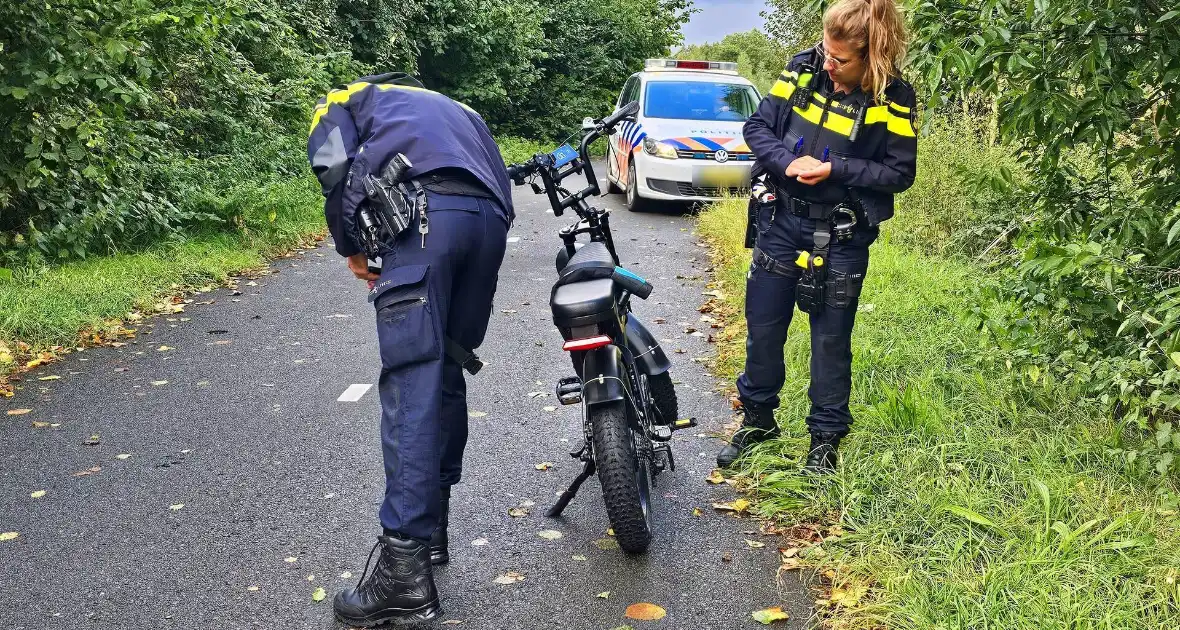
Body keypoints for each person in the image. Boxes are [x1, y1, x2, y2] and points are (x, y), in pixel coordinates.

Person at [306, 72, 512, 626]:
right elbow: (500, 183)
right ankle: (434, 530)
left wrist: (352, 245)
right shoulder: (461, 108)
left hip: (424, 219)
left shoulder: (347, 98)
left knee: (412, 379)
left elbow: (331, 162)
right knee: (445, 368)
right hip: (488, 223)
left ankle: (403, 567)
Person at [717, 0, 917, 473]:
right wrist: (787, 163)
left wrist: (836, 168)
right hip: (781, 221)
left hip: (841, 233)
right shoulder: (802, 69)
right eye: (826, 52)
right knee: (764, 329)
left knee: (830, 340)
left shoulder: (895, 98)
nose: (828, 64)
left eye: (840, 59)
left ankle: (824, 441)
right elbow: (757, 127)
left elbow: (899, 172)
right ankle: (758, 421)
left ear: (873, 56)